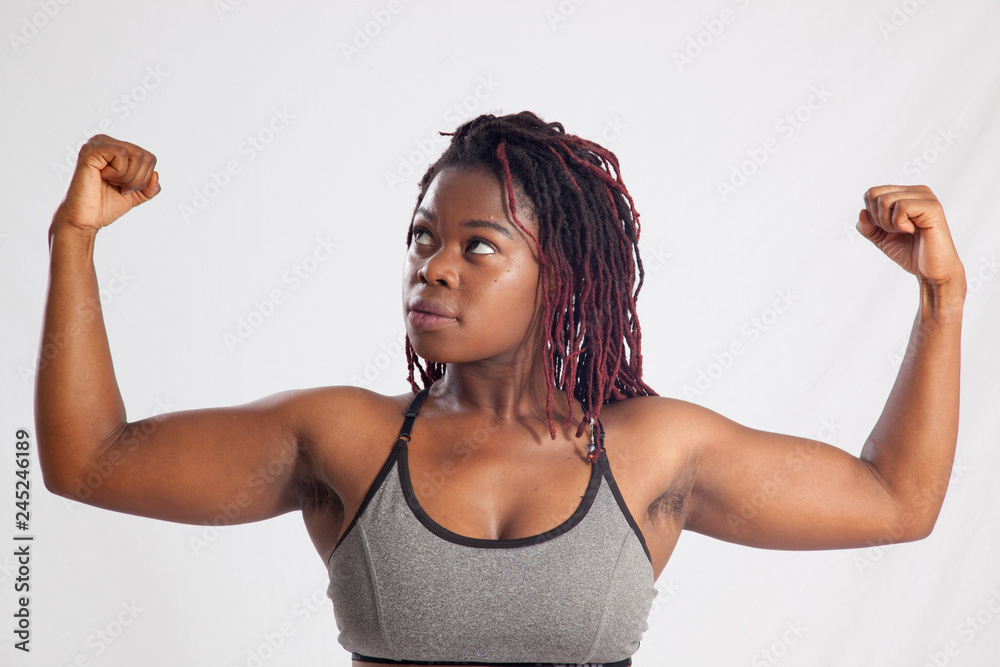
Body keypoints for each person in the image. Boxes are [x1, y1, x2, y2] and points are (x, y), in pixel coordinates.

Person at [35, 111, 967, 666]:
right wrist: (73, 243)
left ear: (559, 272)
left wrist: (941, 298)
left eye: (478, 245)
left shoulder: (653, 450)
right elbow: (90, 462)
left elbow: (897, 499)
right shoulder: (345, 438)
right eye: (421, 237)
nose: (433, 268)